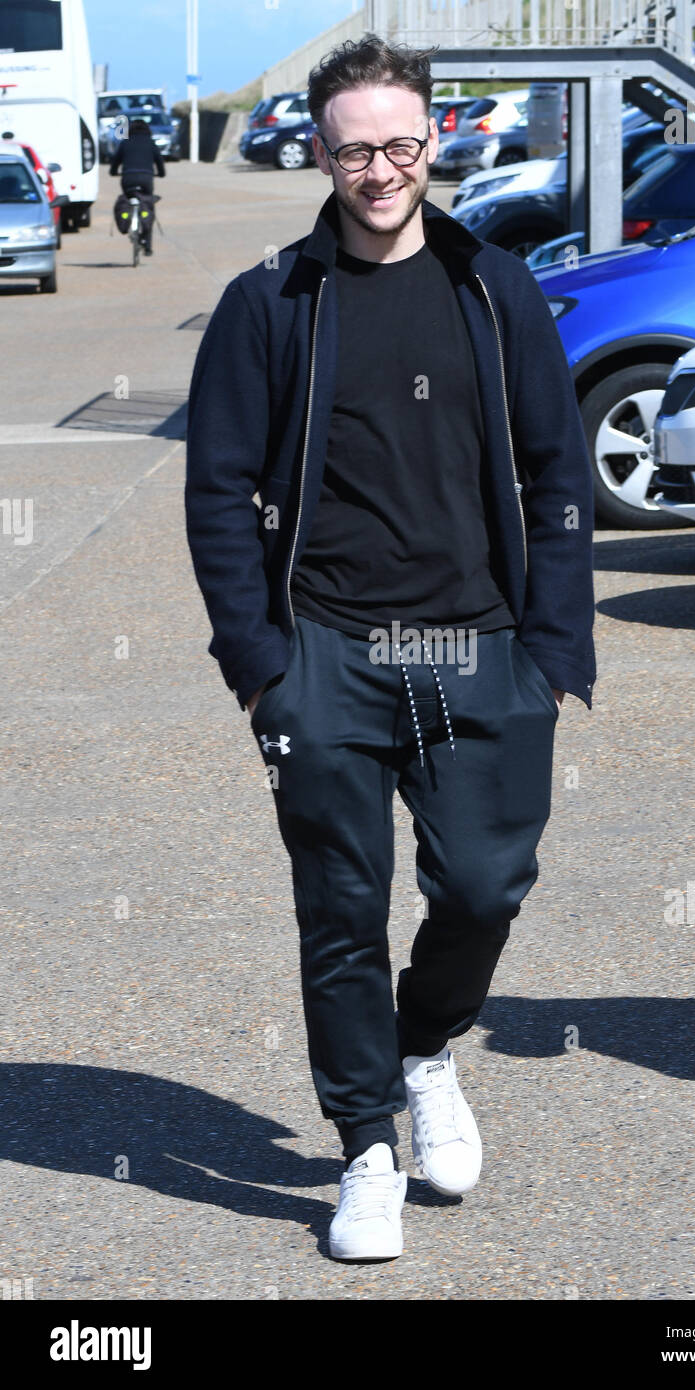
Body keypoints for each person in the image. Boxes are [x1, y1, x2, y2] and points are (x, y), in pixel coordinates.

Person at [184, 33, 596, 1262]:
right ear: (321, 152)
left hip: (479, 647)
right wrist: (258, 661)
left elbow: (556, 471)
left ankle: (422, 1047)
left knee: (480, 886)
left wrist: (556, 649)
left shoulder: (496, 287)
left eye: (400, 145)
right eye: (355, 148)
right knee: (341, 908)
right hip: (326, 652)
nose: (380, 170)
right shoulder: (270, 302)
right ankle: (365, 1146)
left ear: (434, 142)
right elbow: (217, 488)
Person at [109, 118, 164, 255]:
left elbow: (115, 163)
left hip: (128, 179)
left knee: (128, 200)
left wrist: (114, 172)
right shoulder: (151, 143)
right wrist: (161, 173)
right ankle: (148, 247)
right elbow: (160, 163)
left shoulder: (125, 143)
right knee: (148, 205)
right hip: (146, 179)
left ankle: (126, 221)